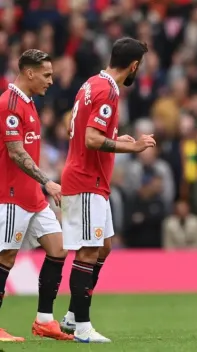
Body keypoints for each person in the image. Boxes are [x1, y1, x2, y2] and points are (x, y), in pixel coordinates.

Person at [59, 37, 154, 343]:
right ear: (134, 65)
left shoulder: (91, 84)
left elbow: (83, 130)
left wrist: (118, 137)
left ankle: (73, 316)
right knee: (88, 250)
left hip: (93, 180)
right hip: (86, 180)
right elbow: (90, 138)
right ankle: (82, 327)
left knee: (103, 247)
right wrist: (134, 147)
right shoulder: (108, 91)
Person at [0, 49, 72, 341]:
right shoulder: (9, 103)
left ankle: (44, 320)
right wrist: (48, 181)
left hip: (33, 197)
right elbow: (16, 153)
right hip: (12, 194)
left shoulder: (29, 102)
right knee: (6, 256)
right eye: (46, 75)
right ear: (29, 73)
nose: (51, 81)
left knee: (58, 249)